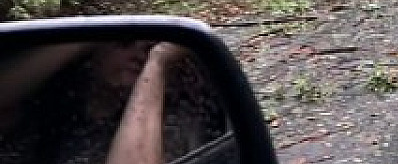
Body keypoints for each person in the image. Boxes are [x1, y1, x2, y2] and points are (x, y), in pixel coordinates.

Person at [0, 40, 228, 164]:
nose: (140, 55)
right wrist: (82, 35)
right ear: (93, 54)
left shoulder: (169, 125)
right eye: (124, 42)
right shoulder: (47, 111)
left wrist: (158, 62)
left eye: (150, 48)